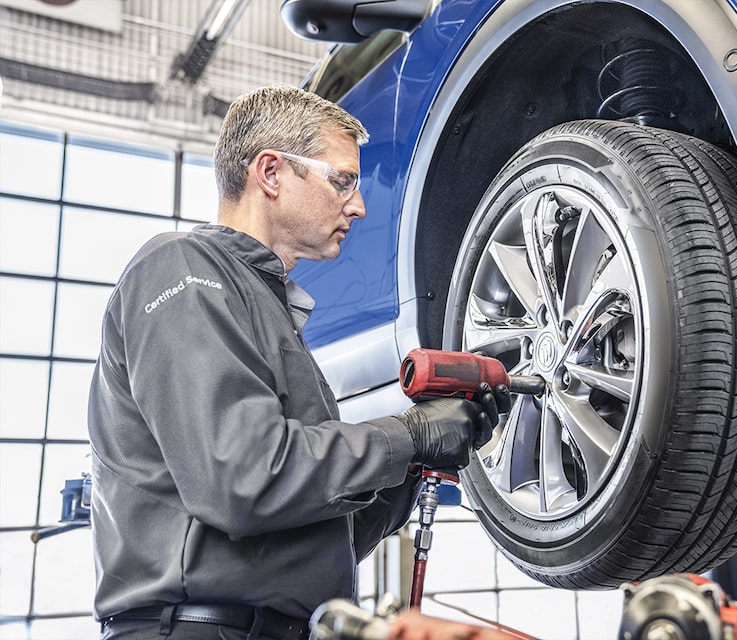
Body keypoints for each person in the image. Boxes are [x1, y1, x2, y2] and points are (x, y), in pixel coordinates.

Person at [87, 85, 510, 640]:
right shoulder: (181, 269)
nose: (357, 205)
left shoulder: (269, 311)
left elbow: (328, 536)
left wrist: (418, 460)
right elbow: (241, 477)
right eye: (342, 180)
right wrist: (407, 435)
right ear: (270, 173)